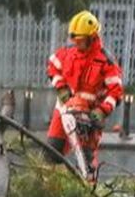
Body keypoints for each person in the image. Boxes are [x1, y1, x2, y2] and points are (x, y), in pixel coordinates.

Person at [45, 10, 124, 182]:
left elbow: (115, 91)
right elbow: (52, 66)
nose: (76, 43)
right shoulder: (68, 53)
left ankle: (88, 195)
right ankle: (51, 188)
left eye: (80, 40)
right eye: (74, 39)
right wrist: (61, 87)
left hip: (89, 114)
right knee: (52, 150)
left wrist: (102, 111)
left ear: (91, 37)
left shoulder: (105, 61)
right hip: (64, 109)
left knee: (86, 160)